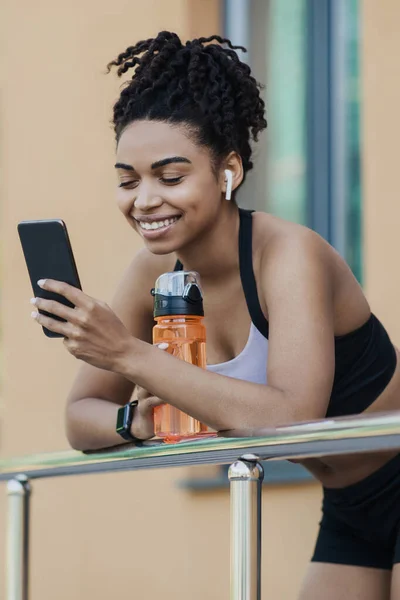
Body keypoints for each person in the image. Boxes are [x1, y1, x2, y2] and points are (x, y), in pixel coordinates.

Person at [29, 31, 400, 600]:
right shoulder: (152, 276)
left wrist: (129, 354)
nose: (144, 199)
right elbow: (81, 417)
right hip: (352, 508)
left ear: (229, 171)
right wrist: (138, 422)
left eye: (170, 177)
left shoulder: (287, 254)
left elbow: (293, 419)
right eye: (128, 180)